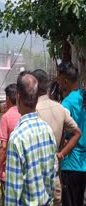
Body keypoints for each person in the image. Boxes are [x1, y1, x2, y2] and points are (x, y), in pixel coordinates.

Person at [5, 72, 57, 205]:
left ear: (18, 97)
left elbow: (12, 194)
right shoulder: (47, 130)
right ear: (37, 97)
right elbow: (53, 175)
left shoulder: (17, 138)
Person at [32, 69, 81, 206]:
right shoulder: (60, 107)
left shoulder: (33, 111)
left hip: (37, 177)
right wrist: (60, 154)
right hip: (55, 176)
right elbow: (77, 132)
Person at [57, 61, 86, 206]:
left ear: (66, 81)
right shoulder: (84, 96)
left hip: (71, 164)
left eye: (59, 80)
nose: (58, 83)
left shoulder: (66, 104)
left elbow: (62, 135)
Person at [0, 83, 21, 203]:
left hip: (8, 172)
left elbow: (3, 147)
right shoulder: (24, 114)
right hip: (22, 170)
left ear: (7, 99)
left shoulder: (6, 117)